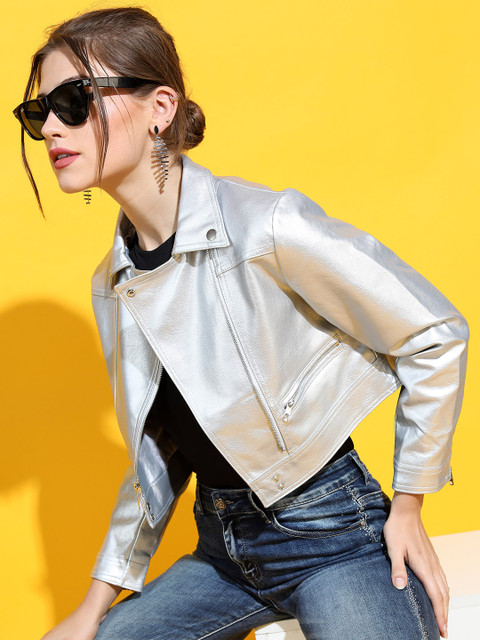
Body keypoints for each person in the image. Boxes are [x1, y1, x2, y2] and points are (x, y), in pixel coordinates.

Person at [14, 7, 469, 640]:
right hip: (223, 552)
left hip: (333, 536)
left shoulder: (265, 226)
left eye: (74, 101)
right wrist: (94, 607)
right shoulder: (113, 282)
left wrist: (410, 503)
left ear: (160, 107)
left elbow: (434, 333)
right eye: (38, 112)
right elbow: (158, 452)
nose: (51, 128)